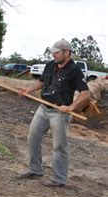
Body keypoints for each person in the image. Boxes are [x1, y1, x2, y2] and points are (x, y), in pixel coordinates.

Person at [17, 39, 90, 187]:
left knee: (59, 146)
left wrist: (71, 107)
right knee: (33, 138)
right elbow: (42, 82)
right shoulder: (51, 65)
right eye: (53, 52)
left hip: (59, 113)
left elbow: (86, 94)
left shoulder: (75, 70)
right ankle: (35, 170)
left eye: (57, 53)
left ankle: (59, 179)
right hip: (43, 108)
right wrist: (28, 90)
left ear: (67, 53)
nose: (54, 55)